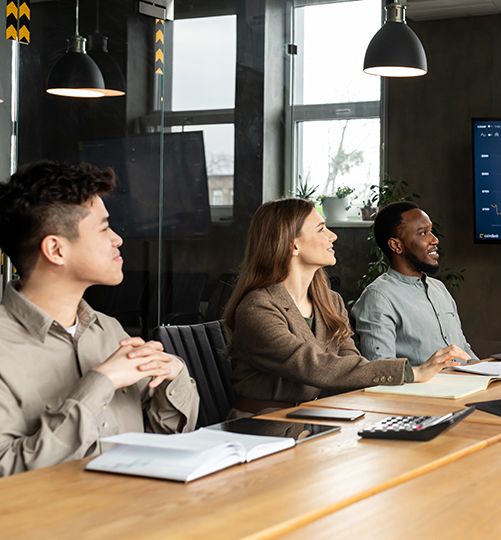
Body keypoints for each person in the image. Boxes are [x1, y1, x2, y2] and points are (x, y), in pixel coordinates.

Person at [0, 161, 199, 477]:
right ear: (56, 250)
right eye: (104, 228)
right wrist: (100, 383)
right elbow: (9, 472)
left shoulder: (109, 331)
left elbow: (162, 442)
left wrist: (171, 378)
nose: (118, 239)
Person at [224, 198, 469, 415]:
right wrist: (413, 372)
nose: (333, 236)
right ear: (293, 244)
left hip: (323, 416)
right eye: (321, 229)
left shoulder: (330, 302)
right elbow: (313, 365)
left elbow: (350, 362)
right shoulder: (257, 307)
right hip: (265, 428)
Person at [352, 201, 477, 366]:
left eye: (431, 231)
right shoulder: (378, 297)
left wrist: (491, 375)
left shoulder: (439, 288)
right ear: (396, 245)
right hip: (425, 391)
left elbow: (464, 351)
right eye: (423, 233)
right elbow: (381, 370)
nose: (435, 240)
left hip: (468, 387)